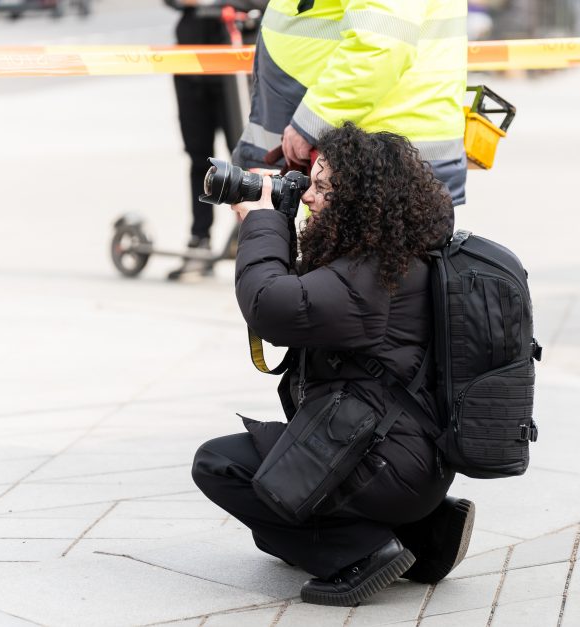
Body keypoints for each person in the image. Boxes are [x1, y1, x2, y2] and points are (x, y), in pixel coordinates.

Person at [191, 123, 474, 606]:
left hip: (387, 463)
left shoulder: (370, 277)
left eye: (322, 188)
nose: (308, 197)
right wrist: (277, 213)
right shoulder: (396, 252)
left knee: (218, 464)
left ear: (362, 200)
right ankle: (426, 536)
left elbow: (271, 305)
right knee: (273, 535)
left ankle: (360, 554)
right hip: (411, 459)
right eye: (311, 182)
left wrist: (260, 220)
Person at [231, 0, 469, 207]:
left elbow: (383, 41)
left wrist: (312, 120)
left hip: (378, 159)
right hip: (362, 153)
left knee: (365, 258)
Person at [163, 0, 266, 281]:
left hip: (235, 56)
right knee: (200, 158)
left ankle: (251, 238)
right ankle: (200, 240)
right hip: (192, 59)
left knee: (243, 158)